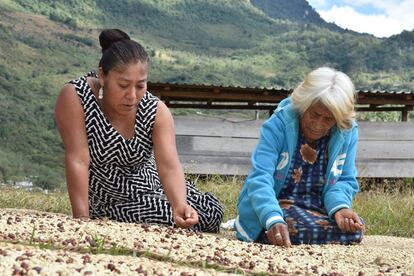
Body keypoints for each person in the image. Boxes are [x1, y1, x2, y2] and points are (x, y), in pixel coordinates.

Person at [55, 29, 223, 232]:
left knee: (211, 212)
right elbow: (78, 159)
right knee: (164, 215)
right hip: (110, 199)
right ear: (102, 75)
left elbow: (169, 166)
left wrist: (179, 204)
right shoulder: (76, 96)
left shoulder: (156, 110)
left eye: (140, 86)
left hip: (153, 184)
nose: (132, 96)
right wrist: (82, 220)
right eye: (123, 85)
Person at [235, 67, 365, 246]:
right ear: (304, 105)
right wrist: (272, 219)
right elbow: (260, 178)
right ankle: (262, 227)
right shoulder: (278, 125)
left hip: (317, 209)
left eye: (328, 119)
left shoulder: (346, 132)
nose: (318, 125)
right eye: (314, 114)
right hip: (276, 203)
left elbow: (344, 179)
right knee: (295, 229)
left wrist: (340, 208)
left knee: (354, 231)